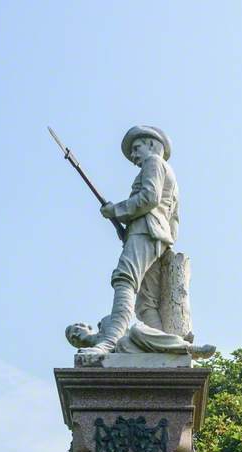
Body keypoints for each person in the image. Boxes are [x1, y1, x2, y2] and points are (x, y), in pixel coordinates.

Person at [74, 125, 180, 359]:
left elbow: (149, 198)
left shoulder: (154, 162)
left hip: (146, 231)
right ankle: (166, 347)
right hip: (159, 238)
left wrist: (117, 210)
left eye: (136, 148)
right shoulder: (169, 173)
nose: (133, 156)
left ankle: (109, 341)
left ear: (152, 144)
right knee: (146, 303)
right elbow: (174, 219)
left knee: (124, 280)